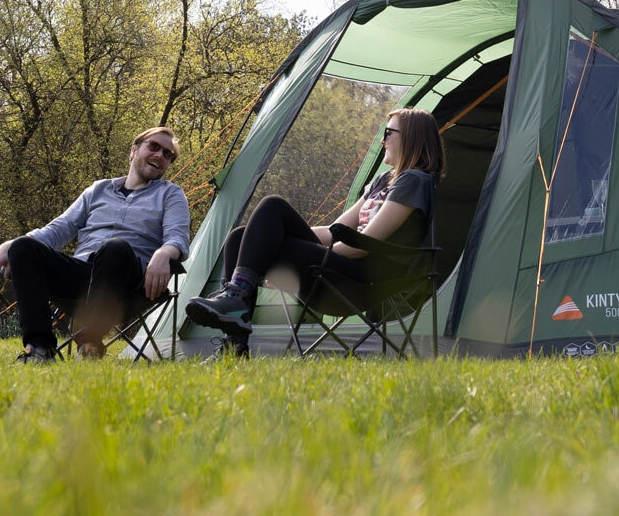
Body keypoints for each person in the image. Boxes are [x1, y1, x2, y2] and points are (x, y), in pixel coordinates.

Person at [185, 107, 444, 349]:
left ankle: (236, 299)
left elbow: (364, 246)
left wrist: (289, 249)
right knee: (240, 236)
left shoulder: (414, 180)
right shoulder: (383, 180)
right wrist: (272, 236)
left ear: (410, 137)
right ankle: (235, 338)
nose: (382, 141)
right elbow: (336, 229)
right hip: (342, 272)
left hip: (366, 281)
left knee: (272, 206)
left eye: (388, 133)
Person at [0, 126, 191, 363]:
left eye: (168, 155)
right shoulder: (98, 190)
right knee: (24, 247)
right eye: (154, 147)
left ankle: (89, 343)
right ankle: (40, 350)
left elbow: (177, 237)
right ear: (133, 151)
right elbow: (57, 230)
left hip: (130, 282)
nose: (160, 156)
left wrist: (165, 253)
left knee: (116, 247)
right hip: (81, 276)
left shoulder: (171, 194)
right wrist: (10, 245)